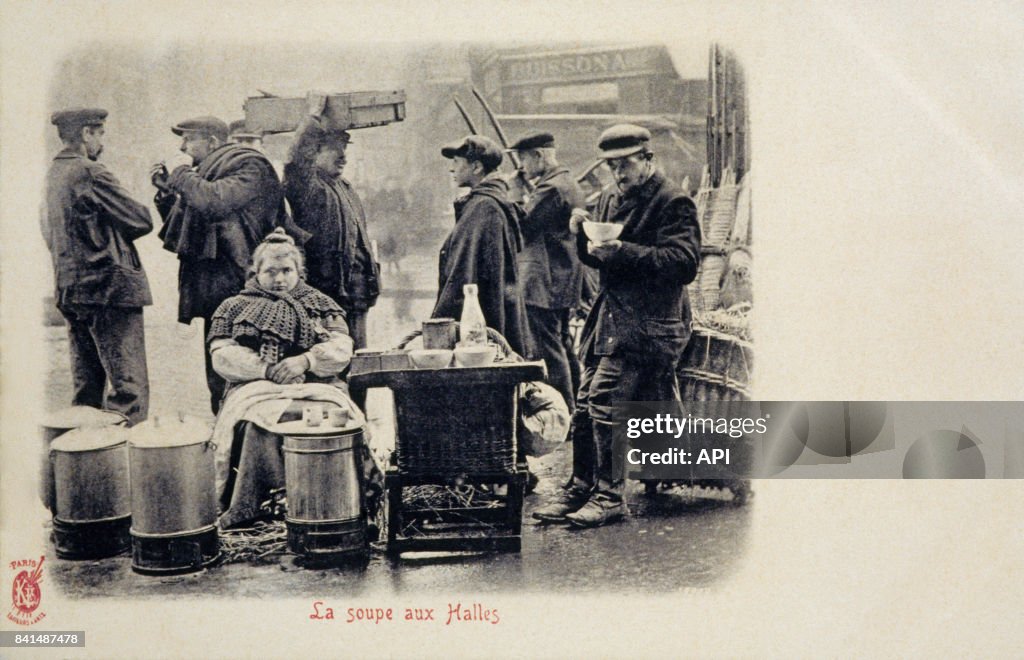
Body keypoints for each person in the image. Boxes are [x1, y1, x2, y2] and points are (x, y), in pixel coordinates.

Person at [533, 124, 701, 528]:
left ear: (648, 160)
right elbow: (598, 260)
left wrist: (622, 251)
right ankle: (581, 486)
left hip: (651, 322)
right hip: (611, 320)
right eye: (612, 167)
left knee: (606, 400)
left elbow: (684, 264)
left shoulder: (672, 201)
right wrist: (582, 240)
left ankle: (610, 496)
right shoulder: (610, 197)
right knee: (586, 404)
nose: (618, 175)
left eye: (626, 165)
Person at [207, 229, 380, 529]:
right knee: (256, 425)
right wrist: (264, 369)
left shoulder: (321, 304)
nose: (279, 279)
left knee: (333, 418)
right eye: (270, 271)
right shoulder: (233, 306)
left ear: (299, 271)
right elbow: (221, 355)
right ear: (255, 272)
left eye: (287, 271)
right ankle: (254, 504)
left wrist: (306, 360)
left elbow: (342, 348)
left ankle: (337, 499)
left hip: (316, 385)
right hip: (257, 388)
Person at [152, 115, 286, 414]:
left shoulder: (251, 166)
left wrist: (182, 175)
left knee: (249, 367)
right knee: (219, 366)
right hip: (215, 289)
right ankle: (225, 430)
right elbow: (188, 228)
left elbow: (216, 201)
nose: (182, 146)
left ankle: (250, 437)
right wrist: (167, 193)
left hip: (245, 289)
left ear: (212, 141)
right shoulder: (206, 173)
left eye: (189, 138)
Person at [43, 108, 153, 425]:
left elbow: (48, 231)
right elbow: (140, 219)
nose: (101, 140)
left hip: (71, 291)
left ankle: (82, 466)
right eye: (100, 133)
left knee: (86, 391)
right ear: (87, 133)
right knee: (127, 391)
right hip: (109, 290)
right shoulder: (91, 172)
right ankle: (123, 465)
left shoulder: (52, 175)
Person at [283, 96, 380, 356]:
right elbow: (295, 164)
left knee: (359, 363)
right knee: (328, 363)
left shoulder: (346, 188)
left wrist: (372, 281)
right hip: (326, 297)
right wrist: (313, 118)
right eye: (334, 149)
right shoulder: (309, 188)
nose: (343, 156)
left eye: (344, 148)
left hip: (356, 295)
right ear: (314, 153)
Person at [434, 134, 533, 359]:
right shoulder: (489, 203)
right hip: (490, 320)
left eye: (457, 162)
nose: (452, 169)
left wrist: (439, 324)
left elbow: (463, 275)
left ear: (477, 167)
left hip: (479, 326)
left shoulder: (483, 208)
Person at [507, 132, 585, 414]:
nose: (522, 167)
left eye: (524, 159)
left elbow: (522, 226)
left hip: (546, 282)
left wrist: (515, 189)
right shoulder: (566, 182)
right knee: (563, 345)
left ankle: (563, 413)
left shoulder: (550, 189)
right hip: (562, 278)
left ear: (539, 156)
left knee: (549, 350)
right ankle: (576, 410)